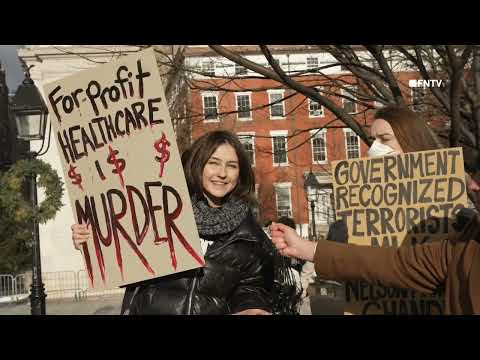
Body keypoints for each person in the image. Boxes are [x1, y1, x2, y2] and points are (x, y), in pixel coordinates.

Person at [270, 105, 480, 314]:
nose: (374, 150)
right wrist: (306, 248)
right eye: (373, 140)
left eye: (385, 139)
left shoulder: (462, 226)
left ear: (413, 142)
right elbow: (382, 266)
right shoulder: (347, 227)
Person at [72, 130, 274, 315]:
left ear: (240, 174)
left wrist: (250, 307)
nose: (222, 173)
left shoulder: (248, 234)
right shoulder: (159, 210)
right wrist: (92, 242)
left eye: (232, 166)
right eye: (213, 163)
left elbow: (251, 286)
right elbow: (124, 263)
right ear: (198, 165)